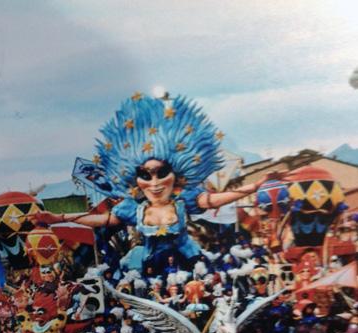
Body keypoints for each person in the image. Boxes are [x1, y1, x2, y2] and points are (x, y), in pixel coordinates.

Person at [31, 94, 285, 273]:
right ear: (136, 179)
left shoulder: (185, 199)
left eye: (161, 172)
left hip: (190, 267)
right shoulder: (133, 208)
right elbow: (101, 220)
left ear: (175, 174)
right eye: (146, 175)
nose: (154, 183)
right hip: (149, 271)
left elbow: (215, 200)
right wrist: (58, 217)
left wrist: (254, 187)